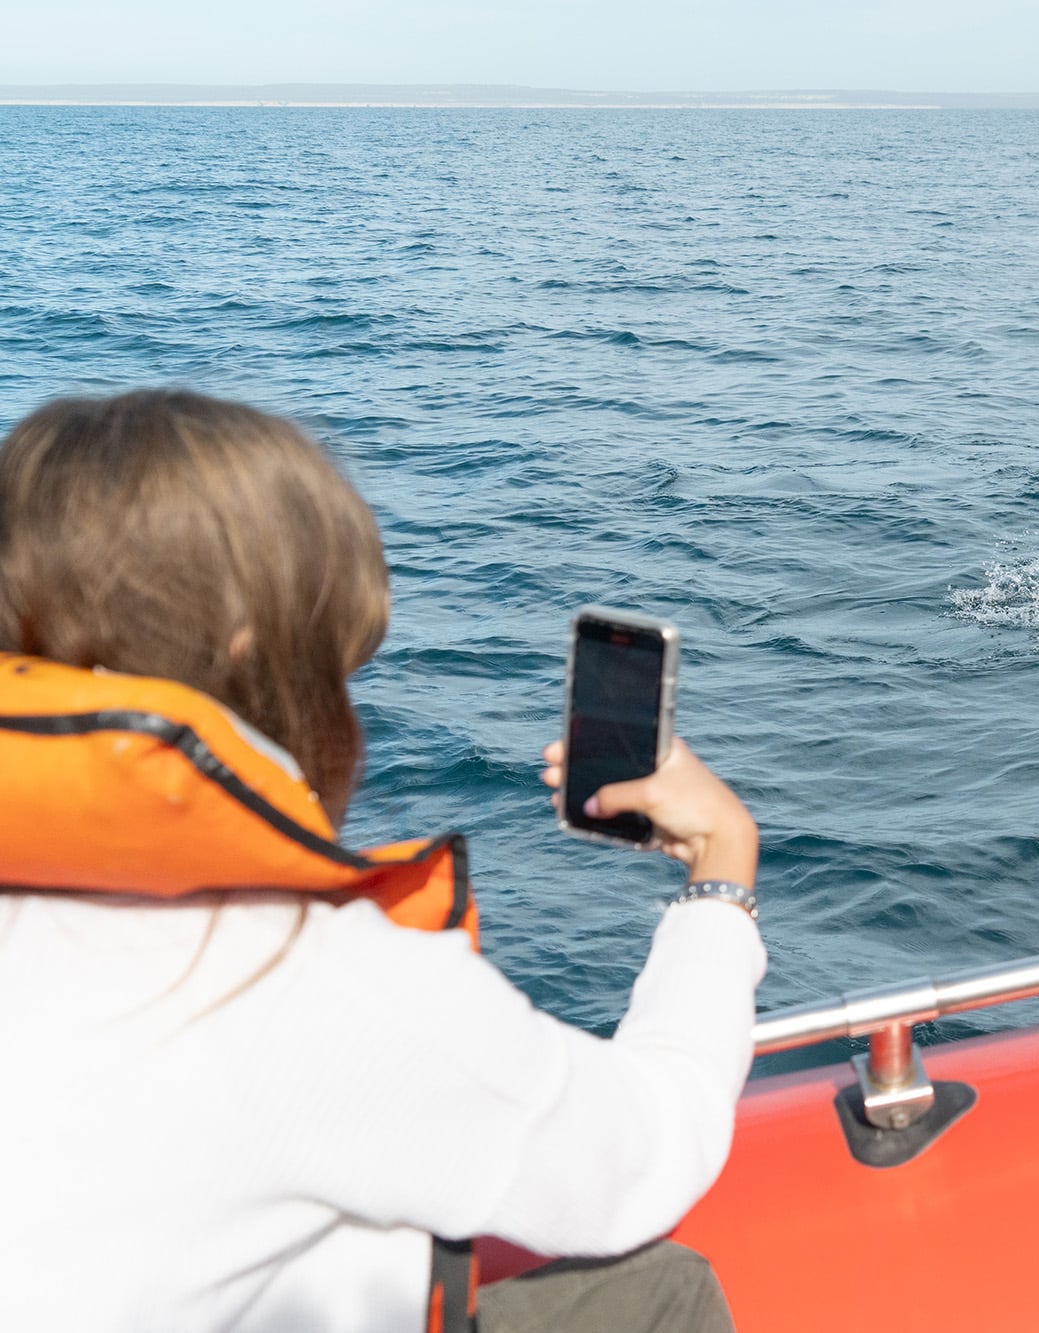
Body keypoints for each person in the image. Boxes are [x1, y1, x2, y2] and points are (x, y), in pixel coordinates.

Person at [0, 390, 764, 1332]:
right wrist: (721, 872)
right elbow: (644, 1153)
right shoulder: (295, 970)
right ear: (252, 639)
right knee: (656, 1291)